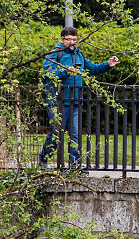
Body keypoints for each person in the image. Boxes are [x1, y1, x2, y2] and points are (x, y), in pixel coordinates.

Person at [38, 27, 118, 167]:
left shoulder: (78, 55)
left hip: (75, 101)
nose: (72, 42)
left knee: (75, 135)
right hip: (58, 102)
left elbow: (93, 69)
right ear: (62, 39)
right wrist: (65, 71)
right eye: (69, 39)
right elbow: (47, 73)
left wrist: (108, 65)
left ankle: (74, 164)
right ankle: (43, 160)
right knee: (56, 134)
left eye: (75, 40)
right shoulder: (55, 54)